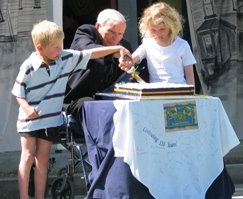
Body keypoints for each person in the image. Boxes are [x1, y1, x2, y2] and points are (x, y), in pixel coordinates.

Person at [11, 20, 132, 199]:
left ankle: (39, 196)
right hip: (29, 120)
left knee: (42, 160)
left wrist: (117, 49)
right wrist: (27, 109)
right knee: (28, 157)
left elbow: (90, 53)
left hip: (50, 120)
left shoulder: (65, 58)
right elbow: (17, 92)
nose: (60, 50)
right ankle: (24, 196)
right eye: (55, 47)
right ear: (40, 47)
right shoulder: (29, 66)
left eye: (61, 45)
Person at [63, 8, 134, 122]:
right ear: (98, 26)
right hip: (78, 98)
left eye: (120, 34)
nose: (116, 37)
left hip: (110, 96)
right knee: (95, 107)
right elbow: (86, 51)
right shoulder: (85, 32)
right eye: (111, 31)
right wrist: (116, 50)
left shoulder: (124, 45)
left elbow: (130, 71)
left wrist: (128, 64)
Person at [132, 2, 196, 86]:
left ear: (171, 26)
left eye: (162, 29)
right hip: (158, 93)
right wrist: (126, 61)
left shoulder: (182, 45)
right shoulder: (147, 44)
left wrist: (192, 95)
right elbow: (132, 58)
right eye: (153, 30)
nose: (157, 34)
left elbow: (190, 75)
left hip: (180, 91)